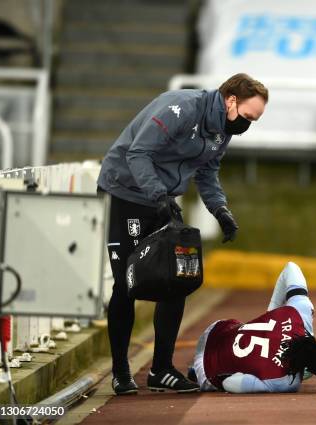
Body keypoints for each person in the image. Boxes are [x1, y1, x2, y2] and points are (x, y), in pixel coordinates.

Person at [97, 73, 269, 395]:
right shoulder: (180, 108)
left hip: (160, 198)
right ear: (231, 100)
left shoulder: (222, 128)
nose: (247, 125)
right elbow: (138, 154)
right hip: (124, 192)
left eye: (254, 121)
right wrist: (158, 195)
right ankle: (121, 372)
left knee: (177, 279)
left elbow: (207, 172)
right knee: (127, 283)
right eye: (248, 117)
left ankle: (161, 369)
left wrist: (221, 210)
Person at [188, 262, 316, 393]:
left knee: (244, 330)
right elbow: (229, 383)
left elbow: (291, 267)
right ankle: (195, 371)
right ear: (314, 372)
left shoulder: (302, 313)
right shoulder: (288, 382)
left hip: (216, 330)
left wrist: (271, 312)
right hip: (205, 370)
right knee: (246, 372)